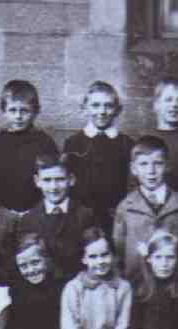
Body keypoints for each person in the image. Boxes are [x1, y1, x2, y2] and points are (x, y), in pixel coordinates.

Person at [60, 227, 131, 329]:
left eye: (105, 255)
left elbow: (123, 327)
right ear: (84, 259)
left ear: (112, 255)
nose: (100, 261)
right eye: (93, 256)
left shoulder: (122, 287)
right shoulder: (74, 288)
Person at [113, 135, 178, 280]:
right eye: (143, 164)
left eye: (158, 163)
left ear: (168, 166)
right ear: (133, 169)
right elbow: (119, 248)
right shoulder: (125, 207)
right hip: (137, 283)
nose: (151, 171)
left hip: (173, 283)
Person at [64, 80, 134, 233]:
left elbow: (131, 184)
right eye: (95, 105)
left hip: (115, 217)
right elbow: (67, 183)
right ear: (84, 109)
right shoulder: (73, 143)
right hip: (81, 217)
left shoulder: (126, 144)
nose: (102, 111)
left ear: (117, 110)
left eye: (108, 106)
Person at [17, 153, 97, 283]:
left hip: (78, 286)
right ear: (37, 181)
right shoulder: (29, 220)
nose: (53, 187)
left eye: (59, 179)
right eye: (47, 180)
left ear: (71, 180)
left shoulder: (86, 215)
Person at [0, 80, 59, 212]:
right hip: (3, 213)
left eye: (24, 111)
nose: (18, 116)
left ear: (35, 111)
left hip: (36, 212)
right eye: (13, 110)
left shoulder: (45, 143)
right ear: (4, 111)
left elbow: (53, 180)